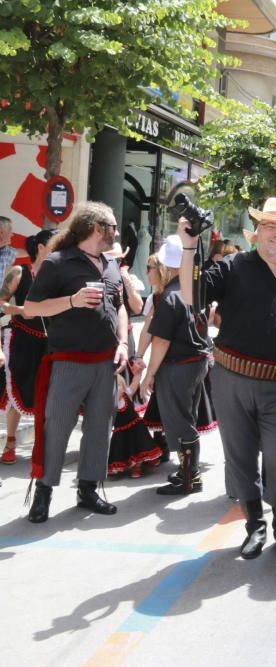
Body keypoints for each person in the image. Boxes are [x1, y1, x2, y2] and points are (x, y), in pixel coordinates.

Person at [178, 197, 276, 561]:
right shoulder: (234, 265)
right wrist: (190, 245)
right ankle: (255, 525)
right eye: (271, 226)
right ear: (257, 233)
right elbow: (193, 296)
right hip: (232, 379)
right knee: (239, 456)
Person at [23, 201, 129, 523]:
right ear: (98, 229)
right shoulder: (57, 263)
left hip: (105, 361)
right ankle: (44, 493)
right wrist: (72, 300)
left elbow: (121, 307)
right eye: (113, 226)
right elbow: (30, 308)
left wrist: (124, 343)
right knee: (56, 426)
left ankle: (88, 490)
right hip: (68, 360)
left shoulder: (110, 265)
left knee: (100, 427)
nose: (116, 232)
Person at [138, 235, 213, 496]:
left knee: (180, 423)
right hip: (196, 362)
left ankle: (189, 477)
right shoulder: (193, 287)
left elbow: (160, 341)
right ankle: (187, 472)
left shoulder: (171, 295)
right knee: (186, 419)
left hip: (179, 364)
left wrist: (149, 374)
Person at [1, 229, 56, 465]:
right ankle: (10, 442)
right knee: (17, 389)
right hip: (21, 337)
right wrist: (22, 310)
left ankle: (41, 445)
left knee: (47, 392)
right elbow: (1, 302)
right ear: (41, 247)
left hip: (49, 341)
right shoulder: (19, 271)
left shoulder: (57, 276)